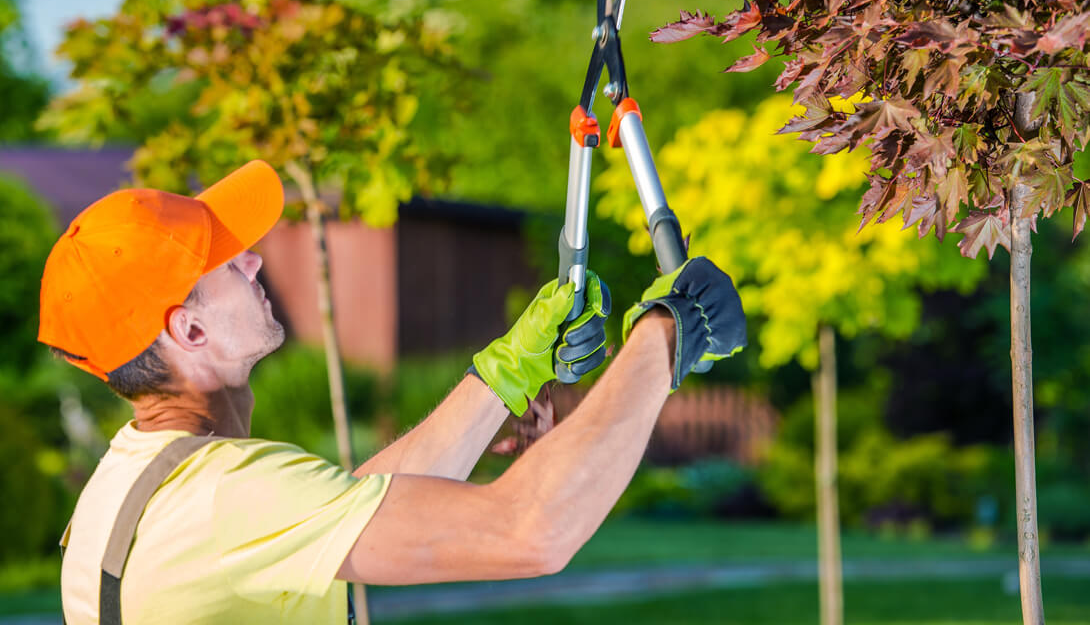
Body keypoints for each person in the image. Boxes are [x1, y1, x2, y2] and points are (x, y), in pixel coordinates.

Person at [42, 159, 746, 624]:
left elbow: (351, 510)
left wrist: (511, 367)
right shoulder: (226, 495)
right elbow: (532, 532)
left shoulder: (135, 488)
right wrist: (667, 336)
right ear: (188, 332)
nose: (255, 258)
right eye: (227, 261)